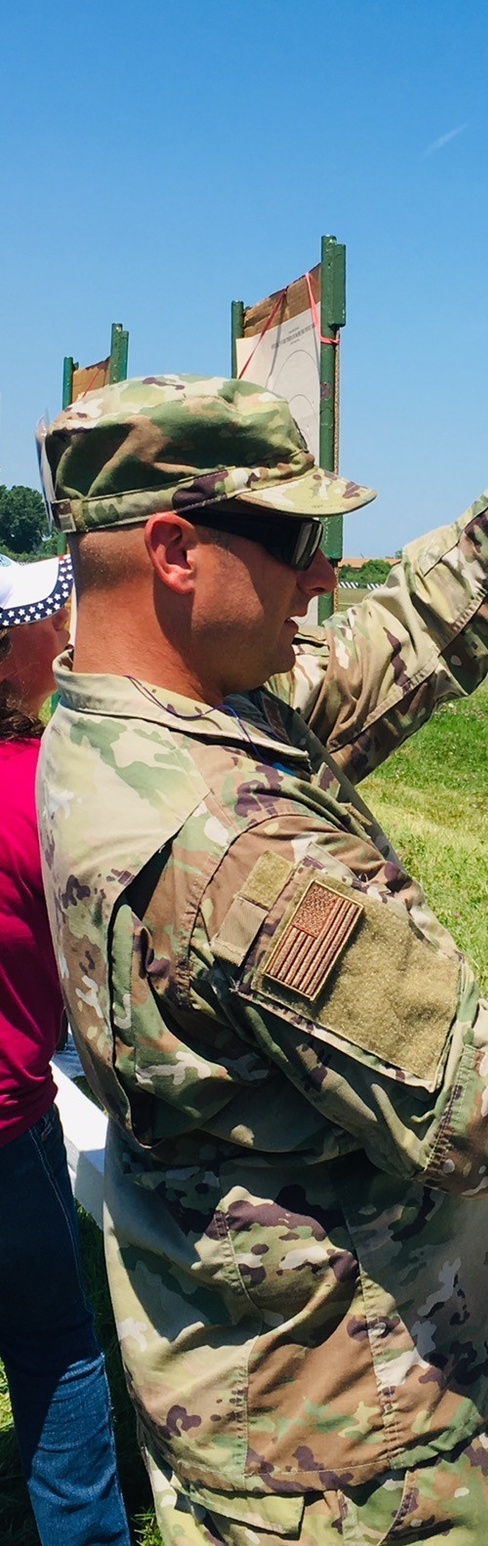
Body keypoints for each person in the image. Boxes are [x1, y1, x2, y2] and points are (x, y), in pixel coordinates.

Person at [38, 276, 488, 1545]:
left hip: (254, 1406)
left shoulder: (118, 720)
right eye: (296, 543)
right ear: (177, 551)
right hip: (357, 1476)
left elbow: (395, 643)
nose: (324, 575)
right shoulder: (234, 851)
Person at [0, 553, 130, 1546]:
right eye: (47, 616)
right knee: (55, 1351)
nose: (63, 630)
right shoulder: (36, 788)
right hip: (6, 1127)